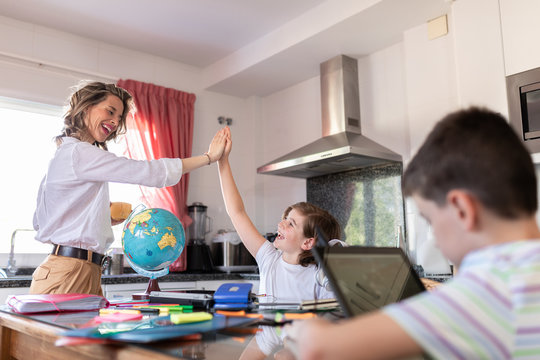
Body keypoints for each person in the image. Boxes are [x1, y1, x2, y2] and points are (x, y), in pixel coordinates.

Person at [284, 107, 540, 359]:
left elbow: (319, 347)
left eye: (430, 219)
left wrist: (304, 327)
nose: (436, 240)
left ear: (462, 209)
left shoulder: (487, 291)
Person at [30, 81, 228, 296]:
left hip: (76, 268)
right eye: (110, 111)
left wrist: (99, 216)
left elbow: (40, 221)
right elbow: (149, 172)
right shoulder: (80, 153)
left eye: (119, 117)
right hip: (71, 270)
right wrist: (209, 158)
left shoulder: (65, 154)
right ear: (86, 107)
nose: (115, 121)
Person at [217, 127, 342, 304]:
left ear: (307, 242)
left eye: (291, 224)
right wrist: (223, 161)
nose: (281, 224)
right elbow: (237, 213)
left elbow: (331, 320)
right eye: (285, 219)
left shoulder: (319, 277)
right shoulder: (268, 258)